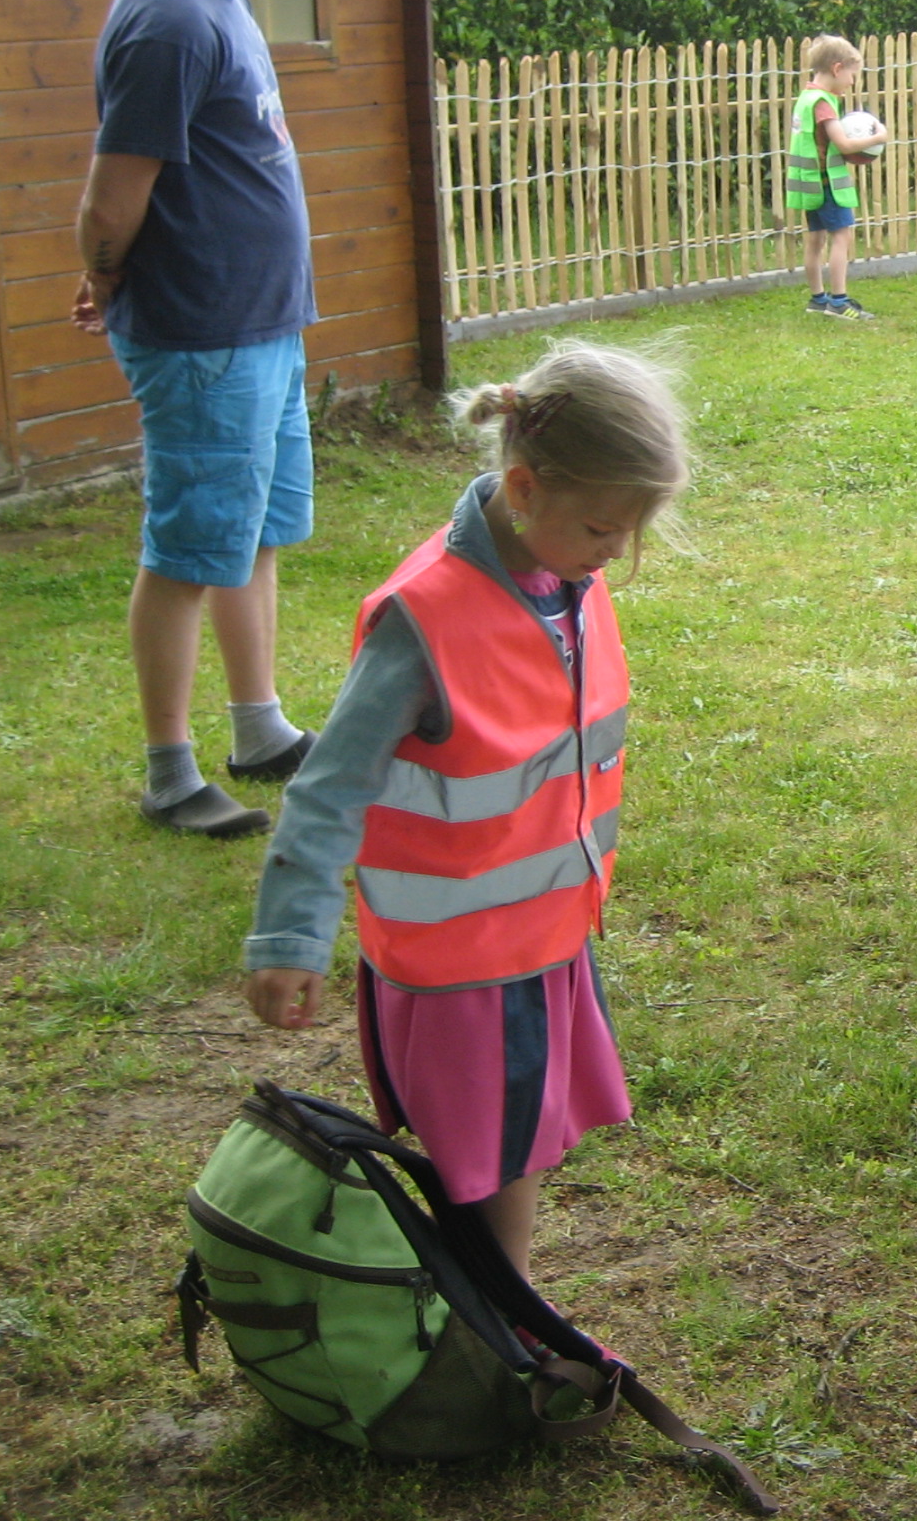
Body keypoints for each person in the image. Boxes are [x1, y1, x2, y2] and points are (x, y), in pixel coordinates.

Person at [240, 341, 689, 1278]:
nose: (619, 556)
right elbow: (329, 789)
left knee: (512, 1142)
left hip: (538, 937)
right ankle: (499, 1319)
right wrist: (288, 938)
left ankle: (494, 1308)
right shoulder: (423, 619)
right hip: (463, 965)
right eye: (607, 531)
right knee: (489, 1154)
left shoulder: (559, 578)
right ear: (523, 489)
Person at [71, 0, 318, 839]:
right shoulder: (169, 16)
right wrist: (105, 268)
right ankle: (169, 771)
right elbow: (112, 192)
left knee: (250, 534)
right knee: (186, 550)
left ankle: (256, 727)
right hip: (204, 334)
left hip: (258, 326)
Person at [784, 35, 887, 319]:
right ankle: (839, 302)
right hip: (826, 185)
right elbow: (843, 145)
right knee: (841, 237)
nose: (853, 82)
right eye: (853, 74)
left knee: (815, 240)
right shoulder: (823, 103)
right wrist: (878, 137)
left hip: (809, 184)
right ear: (837, 68)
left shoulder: (806, 98)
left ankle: (818, 299)